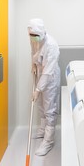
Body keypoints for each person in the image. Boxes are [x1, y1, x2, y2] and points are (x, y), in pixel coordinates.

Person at [28, 18, 60, 156]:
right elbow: (33, 52)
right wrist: (33, 64)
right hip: (41, 71)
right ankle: (42, 131)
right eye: (30, 35)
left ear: (40, 33)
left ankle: (48, 141)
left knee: (49, 108)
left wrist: (37, 90)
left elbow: (48, 71)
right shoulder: (35, 38)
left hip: (50, 77)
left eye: (34, 35)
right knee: (41, 105)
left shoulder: (51, 46)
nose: (32, 38)